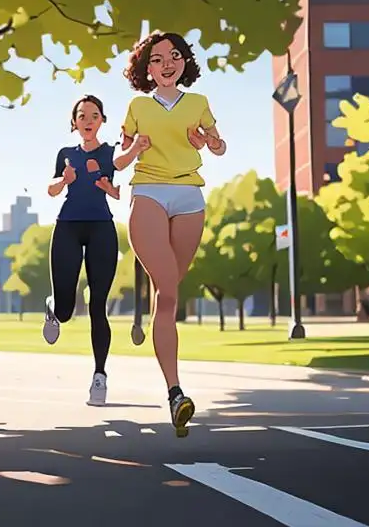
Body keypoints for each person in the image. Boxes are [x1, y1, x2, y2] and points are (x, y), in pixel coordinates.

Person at [114, 31, 227, 438]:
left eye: (174, 56)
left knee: (169, 294)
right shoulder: (138, 106)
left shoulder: (198, 103)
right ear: (146, 68)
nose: (166, 64)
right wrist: (135, 149)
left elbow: (219, 147)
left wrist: (207, 140)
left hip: (189, 199)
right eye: (157, 58)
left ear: (184, 63)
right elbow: (118, 157)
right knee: (168, 288)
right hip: (148, 193)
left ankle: (150, 323)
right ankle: (176, 393)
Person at [42, 95, 122, 407]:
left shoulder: (110, 153)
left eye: (94, 115)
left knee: (98, 304)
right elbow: (50, 189)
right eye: (82, 115)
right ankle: (53, 306)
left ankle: (99, 376)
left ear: (102, 120)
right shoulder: (65, 154)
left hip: (101, 227)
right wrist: (66, 178)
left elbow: (115, 192)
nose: (88, 120)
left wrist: (106, 187)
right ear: (74, 123)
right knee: (65, 310)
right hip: (68, 228)